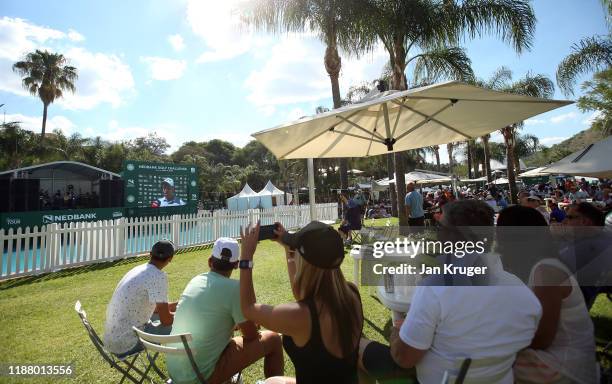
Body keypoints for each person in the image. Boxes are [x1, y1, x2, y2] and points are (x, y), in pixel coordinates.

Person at [359, 201, 542, 384]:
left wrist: (397, 332)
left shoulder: (435, 289)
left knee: (360, 346)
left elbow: (404, 358)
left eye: (440, 226)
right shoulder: (522, 293)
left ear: (452, 236)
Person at [240, 221, 364, 384]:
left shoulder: (299, 316)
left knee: (271, 382)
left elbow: (248, 308)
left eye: (296, 250)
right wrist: (288, 249)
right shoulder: (351, 293)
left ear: (305, 263)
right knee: (274, 381)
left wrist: (246, 257)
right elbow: (303, 296)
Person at [496, 206, 598, 384]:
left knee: (484, 366)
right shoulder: (537, 266)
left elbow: (542, 338)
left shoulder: (547, 271)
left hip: (563, 366)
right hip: (559, 358)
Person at [166, 238, 283, 384]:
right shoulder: (235, 289)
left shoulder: (195, 280)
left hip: (176, 371)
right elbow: (251, 335)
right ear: (235, 265)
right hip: (200, 376)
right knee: (274, 339)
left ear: (210, 261)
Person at [104, 240, 177, 357]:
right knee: (187, 324)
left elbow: (156, 310)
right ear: (171, 258)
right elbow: (166, 320)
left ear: (150, 254)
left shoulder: (138, 269)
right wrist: (184, 313)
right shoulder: (158, 276)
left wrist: (178, 305)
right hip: (127, 344)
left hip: (112, 340)